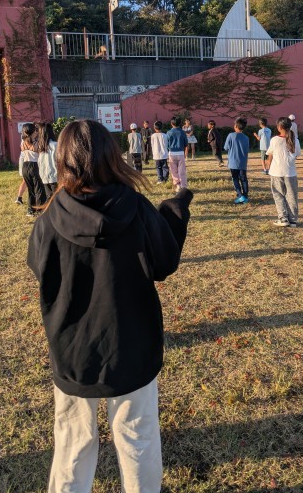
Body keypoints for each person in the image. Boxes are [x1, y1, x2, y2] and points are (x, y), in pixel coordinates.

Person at [27, 119, 193, 493]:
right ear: (111, 155)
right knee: (138, 437)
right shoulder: (135, 208)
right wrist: (175, 211)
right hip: (131, 343)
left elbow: (39, 267)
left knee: (72, 442)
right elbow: (164, 261)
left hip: (72, 347)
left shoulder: (50, 218)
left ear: (63, 159)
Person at [266, 117, 301, 226]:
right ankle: (293, 219)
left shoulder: (274, 140)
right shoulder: (295, 140)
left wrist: (268, 163)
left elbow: (270, 154)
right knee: (292, 196)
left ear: (279, 127)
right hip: (290, 172)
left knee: (278, 195)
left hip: (276, 172)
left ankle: (283, 218)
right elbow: (297, 155)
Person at [21, 123, 46, 217]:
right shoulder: (35, 143)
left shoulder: (23, 143)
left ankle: (30, 210)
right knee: (39, 188)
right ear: (33, 132)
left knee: (30, 189)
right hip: (34, 165)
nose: (36, 132)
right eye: (35, 131)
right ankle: (40, 210)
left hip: (25, 166)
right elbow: (41, 154)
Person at [224, 117, 250, 204]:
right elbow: (247, 149)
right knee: (244, 179)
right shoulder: (246, 137)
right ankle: (245, 196)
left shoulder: (231, 135)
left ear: (235, 126)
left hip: (233, 162)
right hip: (243, 162)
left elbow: (226, 147)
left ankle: (240, 195)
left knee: (235, 178)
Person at [36, 122, 58, 199]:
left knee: (49, 199)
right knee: (57, 199)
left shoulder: (40, 147)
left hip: (44, 177)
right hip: (55, 177)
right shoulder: (55, 145)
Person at [167, 117, 189, 191]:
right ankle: (184, 186)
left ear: (171, 123)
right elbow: (186, 144)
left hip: (171, 153)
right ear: (180, 124)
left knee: (174, 171)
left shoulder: (169, 132)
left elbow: (166, 144)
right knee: (182, 171)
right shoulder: (182, 132)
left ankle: (178, 185)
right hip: (180, 153)